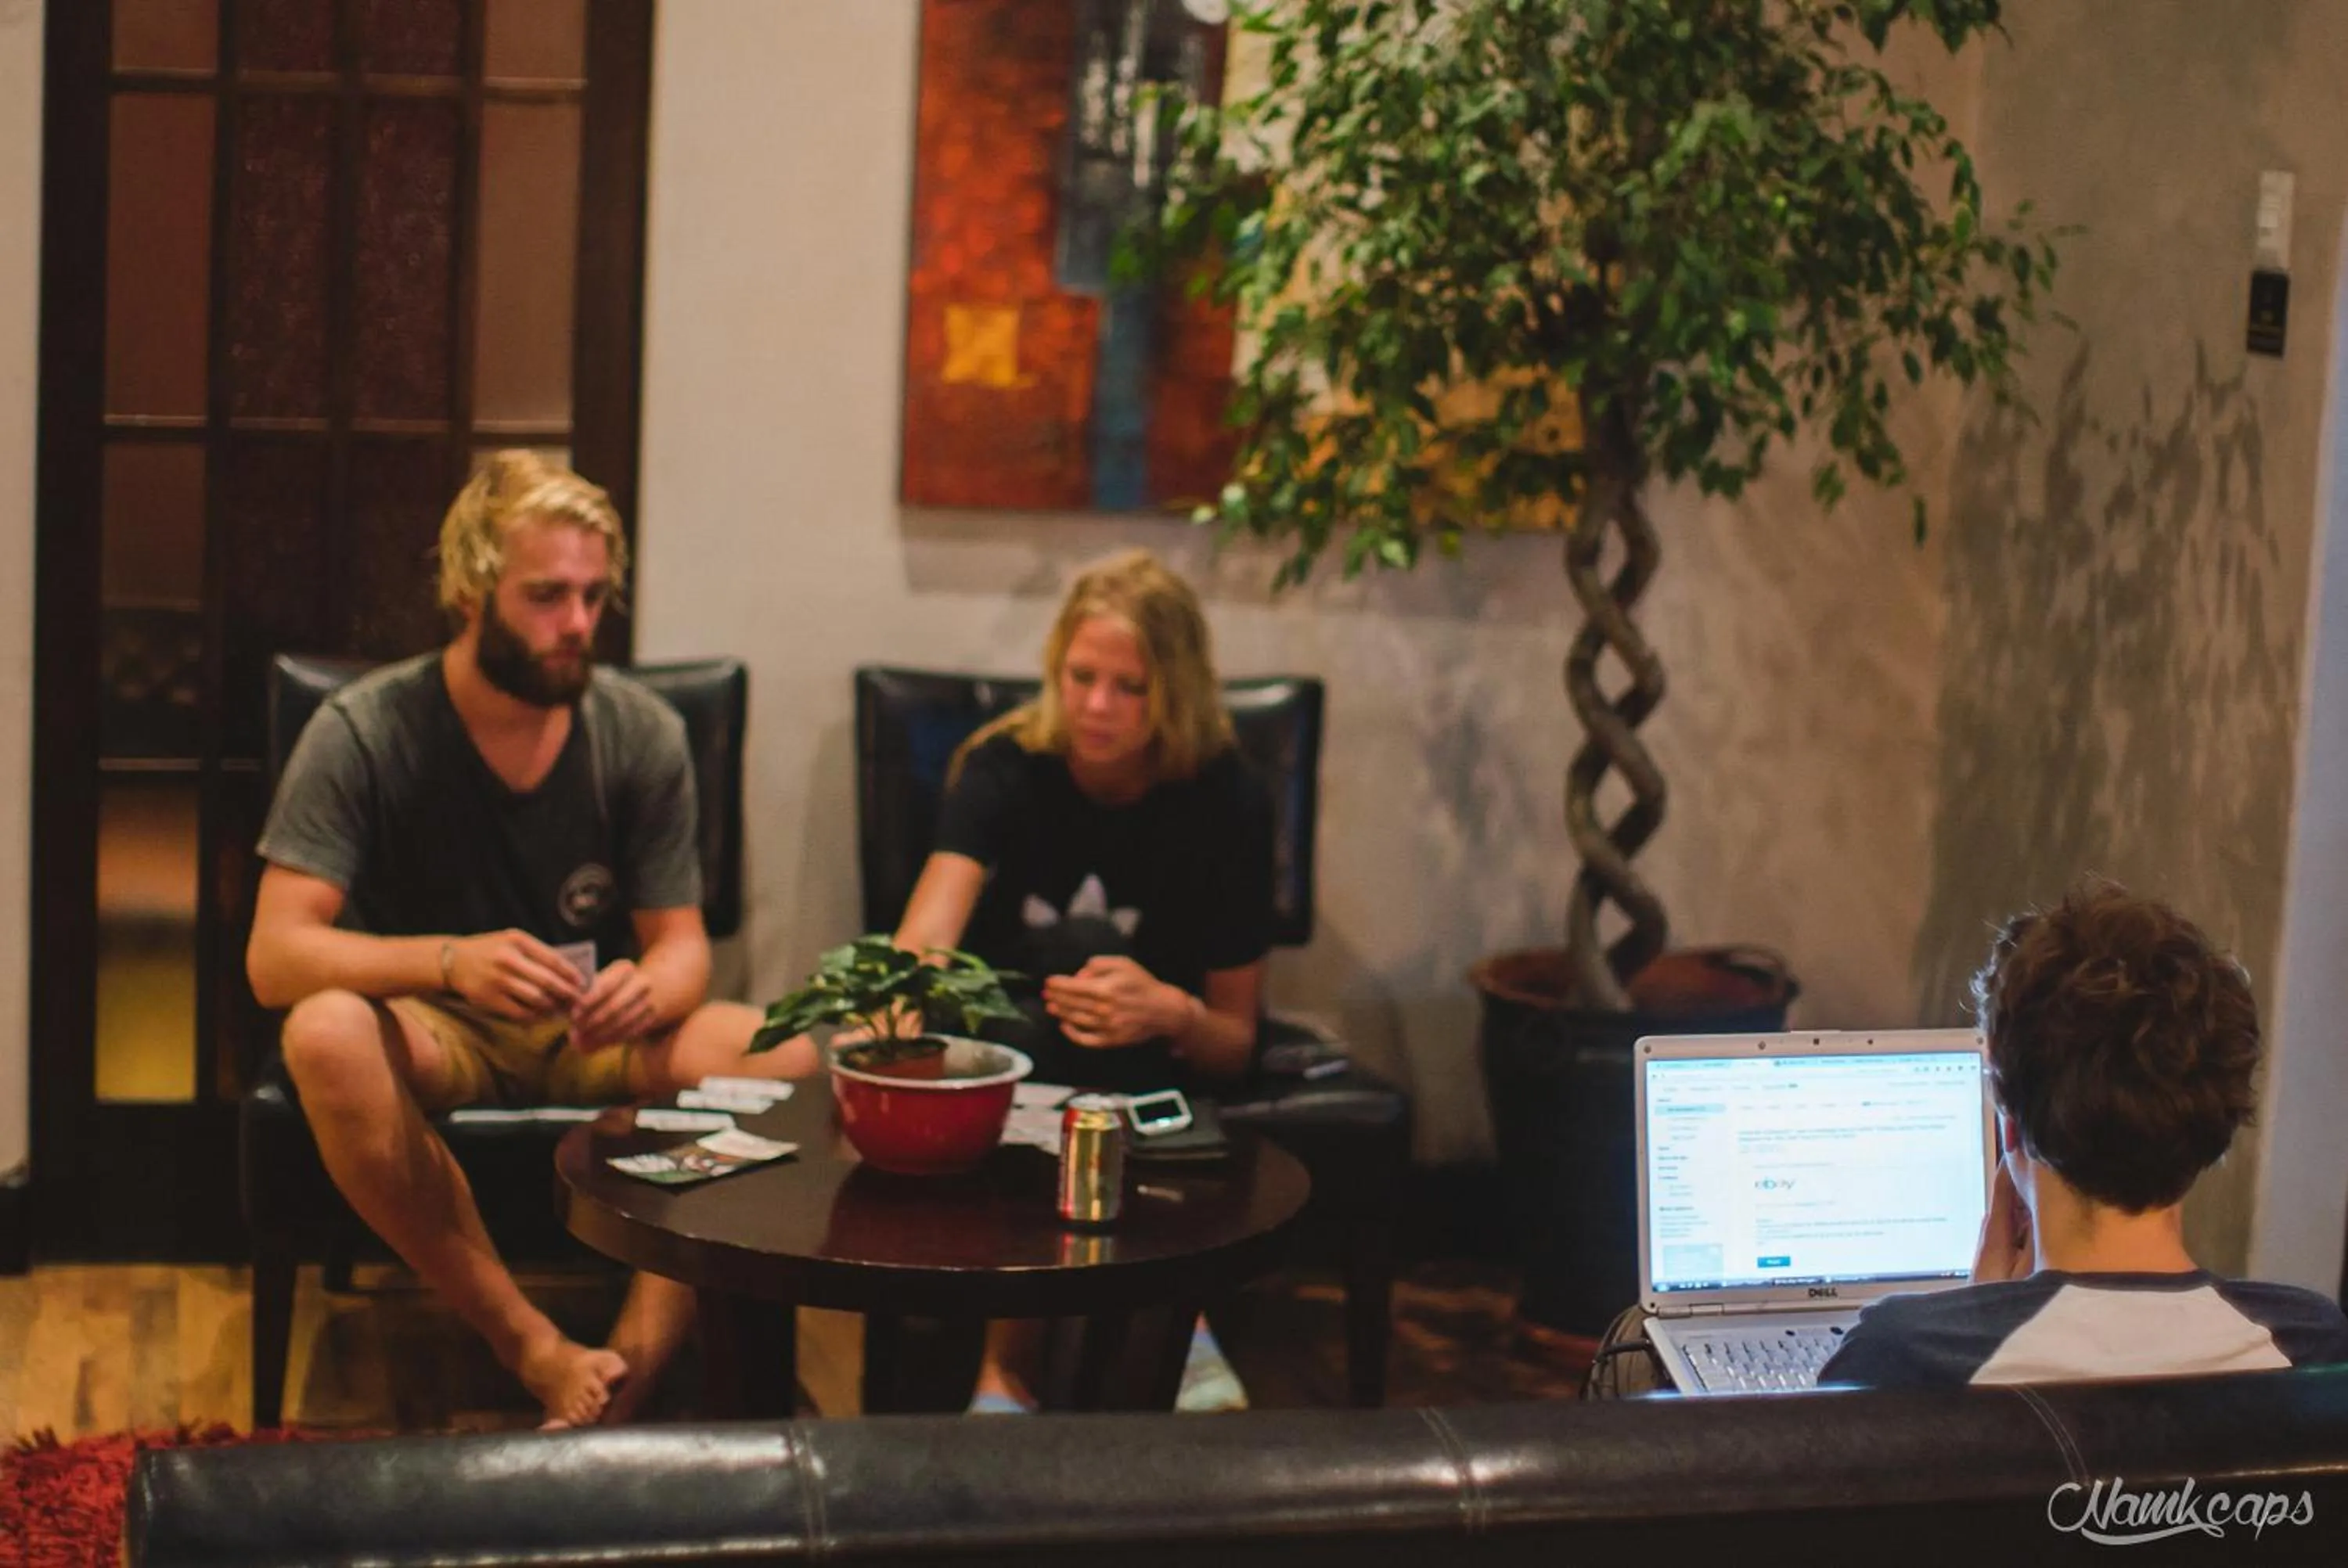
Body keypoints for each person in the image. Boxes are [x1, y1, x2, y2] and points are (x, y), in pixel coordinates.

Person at [245, 451, 817, 1428]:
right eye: (548, 596)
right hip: (437, 1024)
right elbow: (277, 957)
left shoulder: (639, 731)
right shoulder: (366, 728)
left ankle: (625, 1376)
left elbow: (681, 945)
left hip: (588, 1029)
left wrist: (654, 986)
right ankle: (534, 1348)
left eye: (596, 597)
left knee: (784, 1051)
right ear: (470, 592)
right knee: (326, 1032)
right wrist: (449, 960)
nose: (580, 626)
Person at [894, 547, 1274, 1408]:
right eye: (1081, 675)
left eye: (1129, 687)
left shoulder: (1228, 797)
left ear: (1174, 690)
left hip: (1155, 1067)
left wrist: (1170, 1011)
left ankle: (1146, 1342)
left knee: (1115, 1040)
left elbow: (1233, 1040)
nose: (1096, 706)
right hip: (1016, 1049)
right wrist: (895, 1008)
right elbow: (927, 938)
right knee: (1044, 1033)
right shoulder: (1000, 768)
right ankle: (1025, 1361)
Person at [1818, 882, 2348, 1388]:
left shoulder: (1905, 1356)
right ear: (2214, 1126)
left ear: (2010, 1125)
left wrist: (1981, 1312)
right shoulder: (2310, 1343)